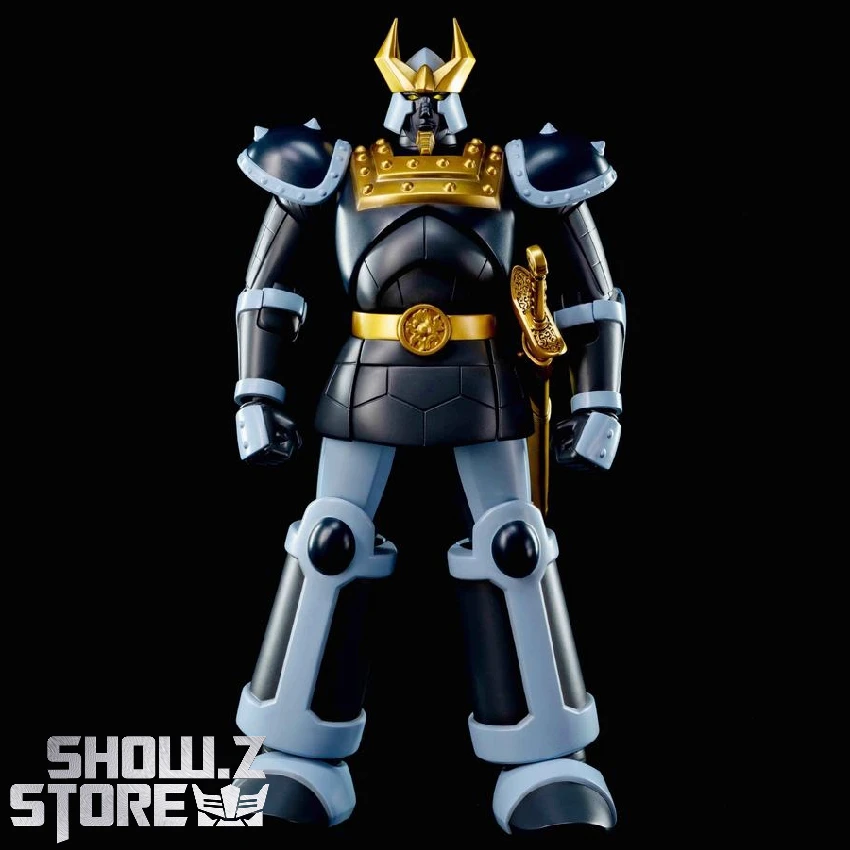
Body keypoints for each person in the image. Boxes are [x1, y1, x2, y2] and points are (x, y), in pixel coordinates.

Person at [230, 18, 625, 834]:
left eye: (437, 79)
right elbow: (268, 288)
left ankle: (546, 758)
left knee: (515, 546)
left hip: (482, 372)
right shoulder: (332, 165)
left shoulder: (518, 166)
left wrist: (600, 402)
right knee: (330, 543)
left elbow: (592, 296)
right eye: (410, 79)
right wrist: (255, 393)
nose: (423, 92)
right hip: (369, 371)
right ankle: (293, 753)